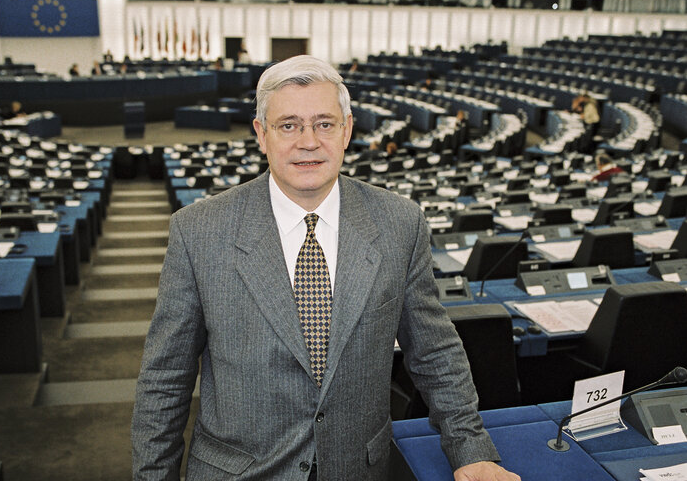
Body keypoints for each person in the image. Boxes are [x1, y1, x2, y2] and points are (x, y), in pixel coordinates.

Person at [132, 55, 520, 481]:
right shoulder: (199, 232)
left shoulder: (399, 222)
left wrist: (469, 448)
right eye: (289, 125)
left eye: (324, 123)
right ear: (262, 134)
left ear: (347, 129)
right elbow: (165, 379)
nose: (308, 142)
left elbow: (433, 349)